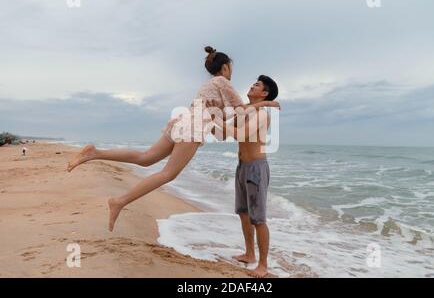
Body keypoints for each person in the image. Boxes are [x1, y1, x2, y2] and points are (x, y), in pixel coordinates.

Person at [67, 46, 279, 232]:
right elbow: (242, 110)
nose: (232, 72)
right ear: (225, 68)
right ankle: (119, 201)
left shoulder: (210, 85)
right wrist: (266, 104)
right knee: (168, 174)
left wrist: (220, 122)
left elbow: (225, 121)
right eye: (231, 68)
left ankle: (94, 153)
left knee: (146, 157)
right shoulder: (223, 81)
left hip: (182, 120)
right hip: (192, 127)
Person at [208, 75, 278, 278]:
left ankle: (263, 265)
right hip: (242, 166)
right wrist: (212, 118)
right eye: (253, 83)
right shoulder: (244, 110)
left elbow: (241, 134)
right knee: (243, 213)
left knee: (258, 219)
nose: (252, 85)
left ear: (264, 93)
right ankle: (249, 254)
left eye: (257, 85)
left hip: (256, 168)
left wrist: (218, 119)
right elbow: (220, 136)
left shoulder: (263, 114)